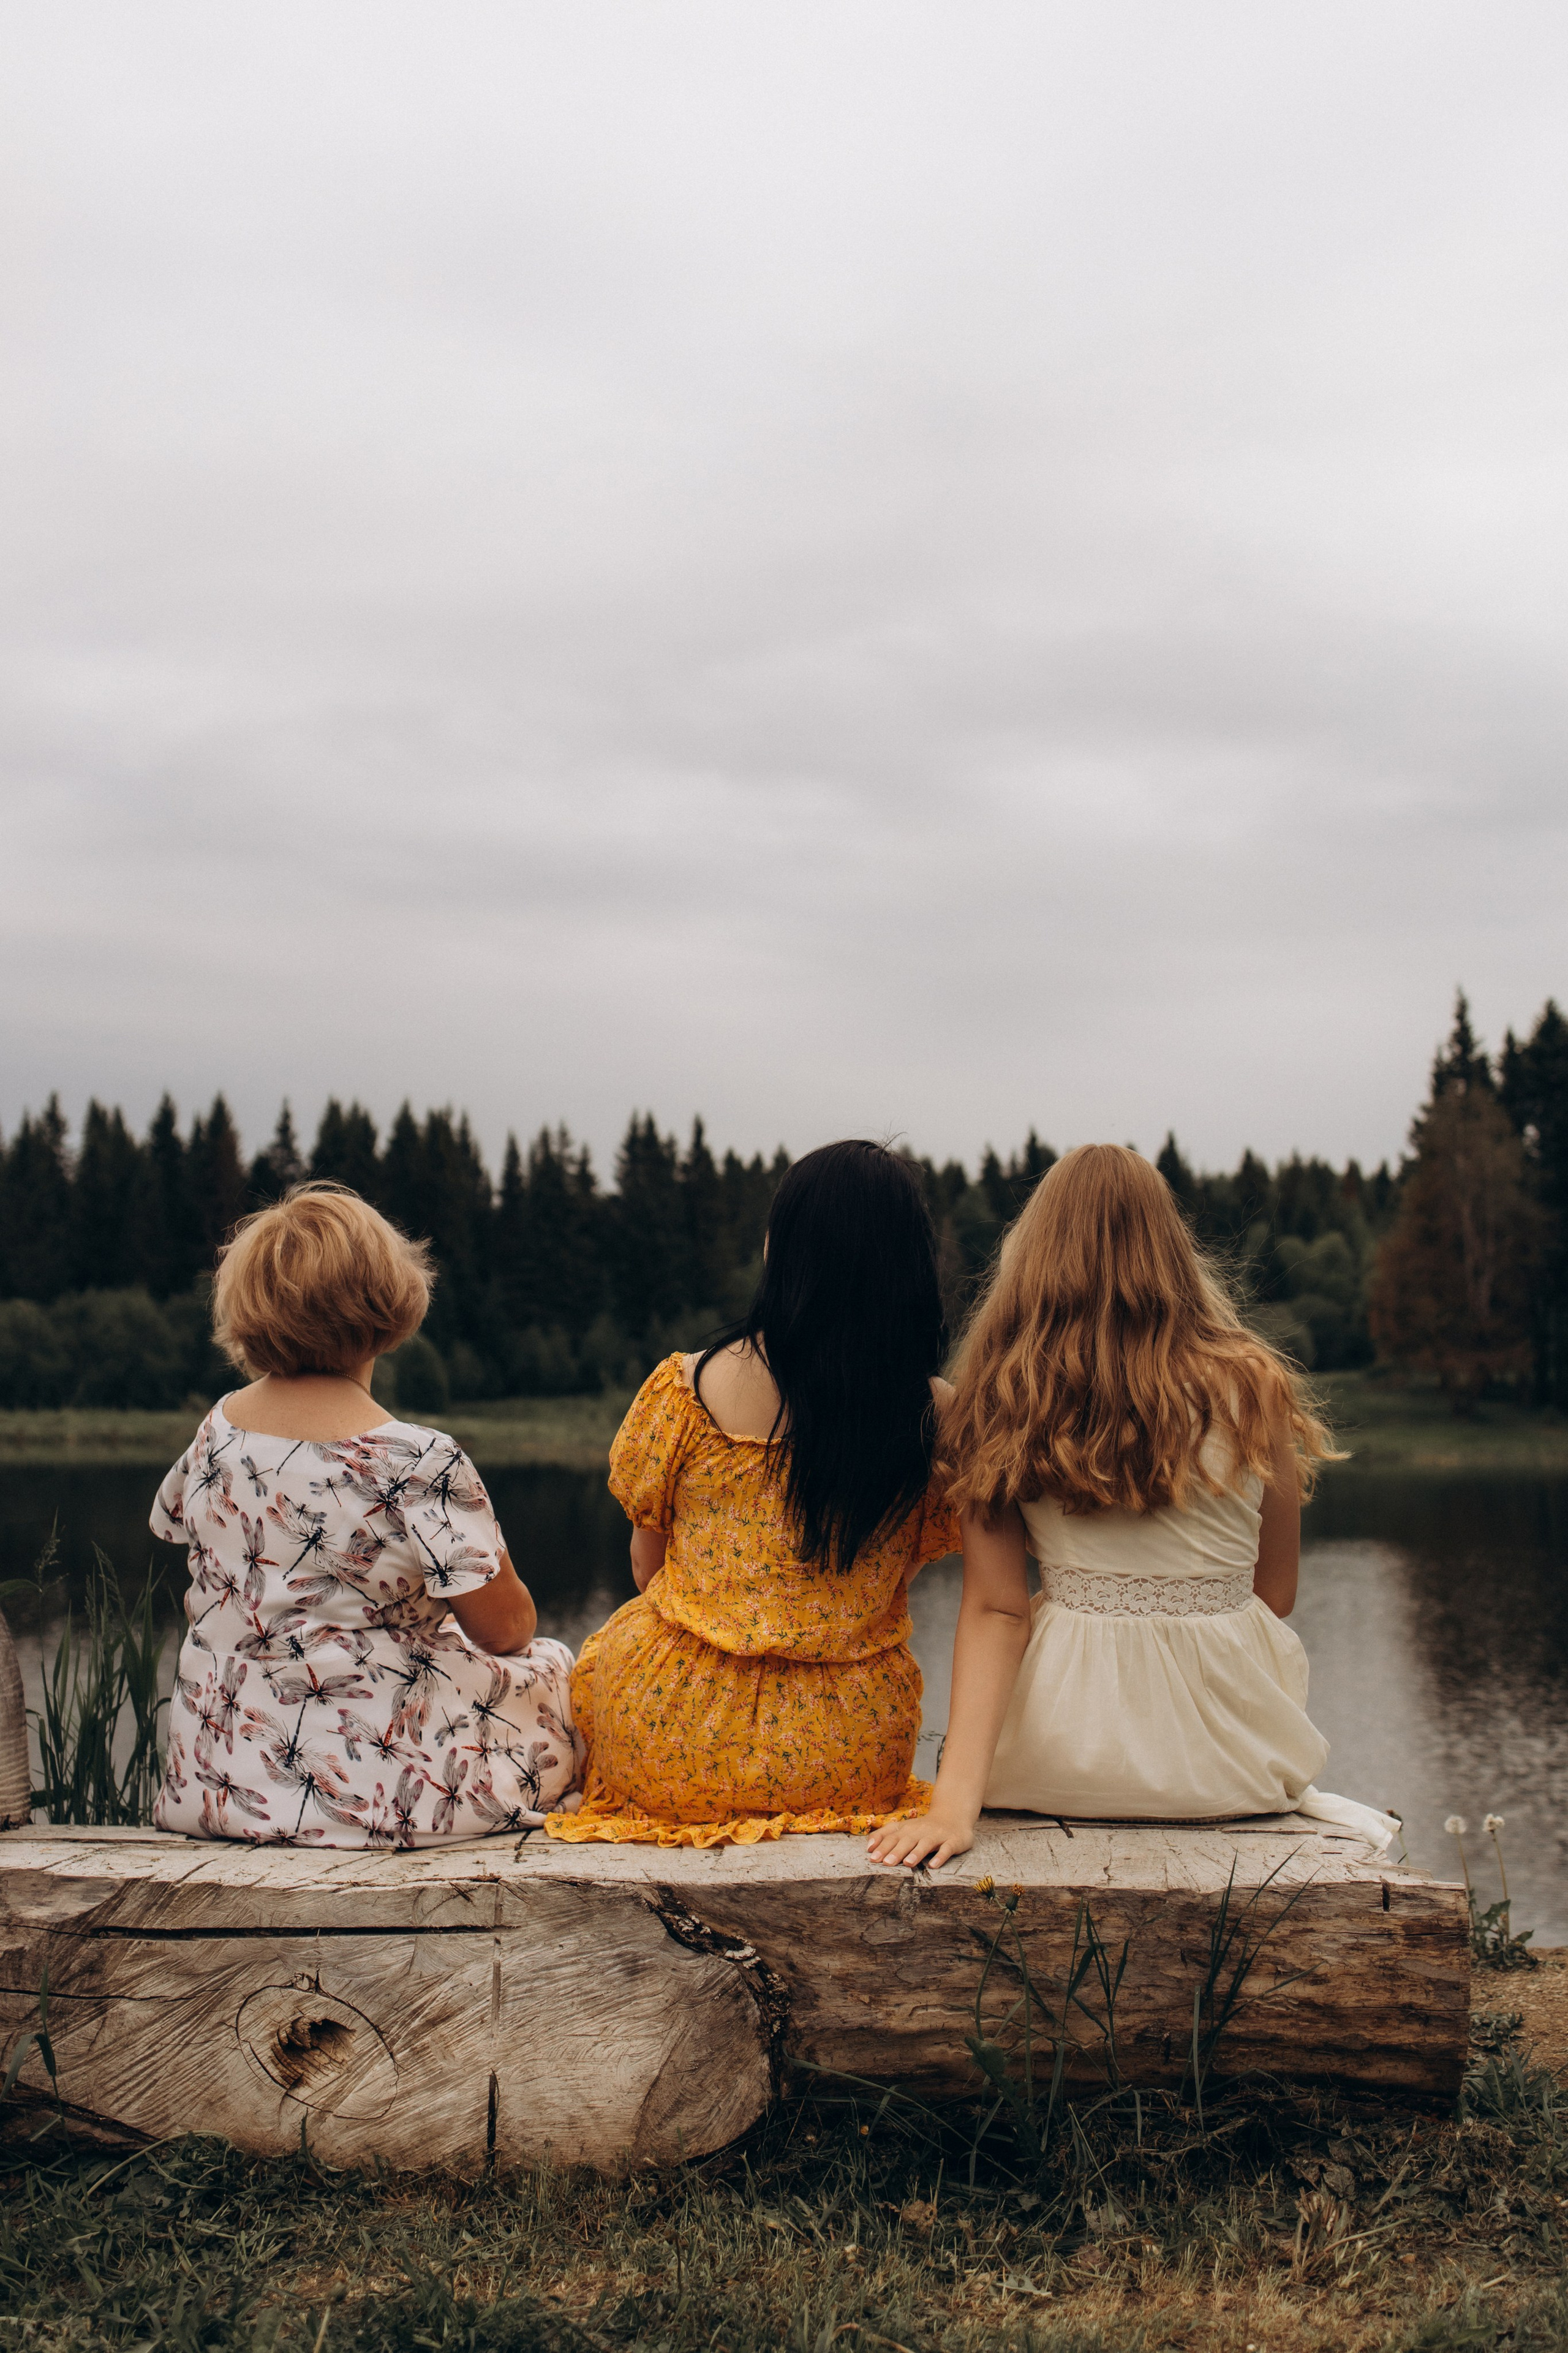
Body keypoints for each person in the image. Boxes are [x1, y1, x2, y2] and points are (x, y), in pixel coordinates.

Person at [868, 1144, 1395, 1871]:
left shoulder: (1003, 1397)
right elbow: (1274, 1595)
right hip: (1233, 1765)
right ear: (1171, 1249)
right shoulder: (1253, 1384)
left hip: (1060, 1760)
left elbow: (996, 1609)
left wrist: (954, 1807)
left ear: (1036, 1253)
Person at [547, 1140, 959, 1848]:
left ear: (780, 1248)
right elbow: (894, 1584)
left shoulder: (685, 1387)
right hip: (846, 1750)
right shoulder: (935, 1415)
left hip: (673, 1735)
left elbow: (647, 1570)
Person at [149, 1182, 580, 1845]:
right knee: (556, 1669)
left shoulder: (215, 1435)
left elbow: (205, 1587)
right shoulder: (419, 1460)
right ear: (387, 1302)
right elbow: (503, 1631)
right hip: (378, 1800)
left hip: (214, 1784)